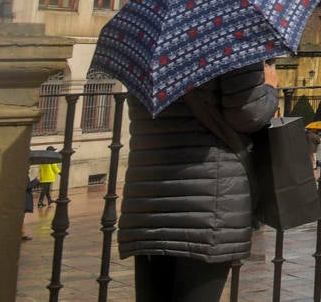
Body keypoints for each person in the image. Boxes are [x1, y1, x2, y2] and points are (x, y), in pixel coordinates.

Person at [118, 61, 279, 302]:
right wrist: (270, 88)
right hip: (209, 197)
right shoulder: (232, 42)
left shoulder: (146, 48)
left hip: (149, 192)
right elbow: (249, 114)